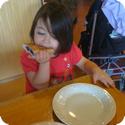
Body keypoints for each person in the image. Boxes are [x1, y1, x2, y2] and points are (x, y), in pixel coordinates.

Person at [20, 1, 115, 93]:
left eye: (55, 36)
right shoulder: (29, 56)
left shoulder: (69, 48)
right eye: (41, 33)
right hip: (37, 98)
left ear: (65, 38)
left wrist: (96, 70)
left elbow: (84, 63)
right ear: (33, 31)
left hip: (65, 93)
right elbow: (41, 87)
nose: (46, 40)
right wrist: (44, 63)